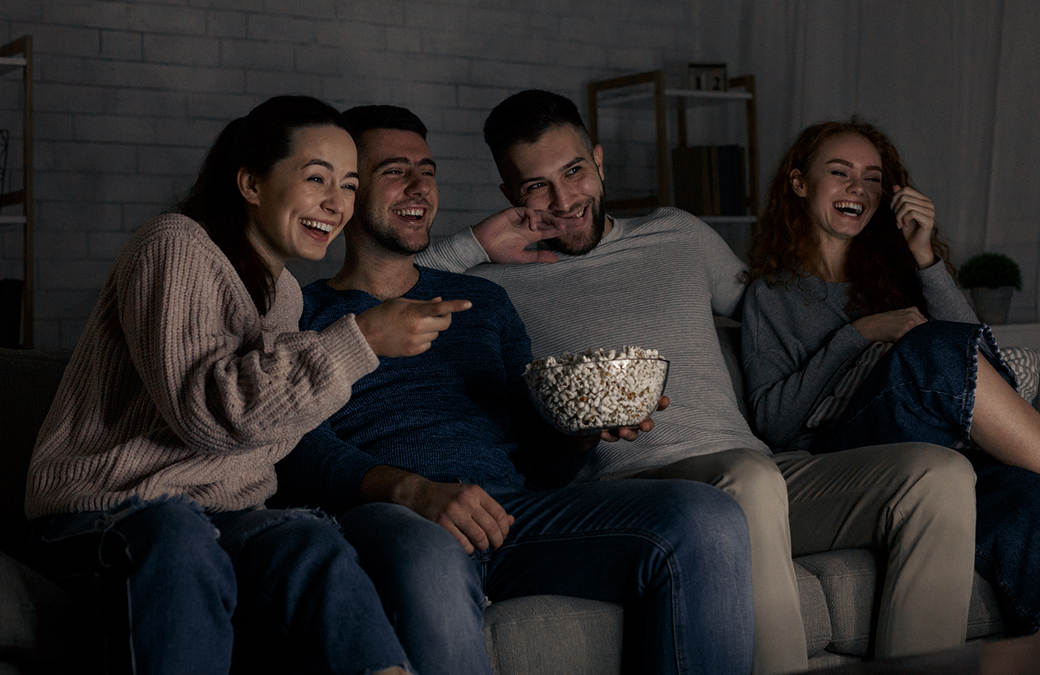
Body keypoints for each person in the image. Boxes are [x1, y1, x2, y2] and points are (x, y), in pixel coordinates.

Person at [416, 89, 980, 671]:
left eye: (575, 171)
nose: (564, 200)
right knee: (750, 478)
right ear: (511, 195)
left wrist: (922, 269)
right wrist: (478, 244)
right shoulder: (497, 283)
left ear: (600, 162)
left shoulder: (679, 234)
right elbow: (381, 288)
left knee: (938, 475)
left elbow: (789, 311)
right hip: (637, 489)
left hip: (759, 466)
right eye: (537, 186)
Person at [274, 104, 756, 675]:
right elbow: (290, 446)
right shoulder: (303, 311)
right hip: (394, 518)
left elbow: (540, 463)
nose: (419, 186)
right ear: (348, 192)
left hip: (514, 515)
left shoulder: (485, 304)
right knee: (428, 553)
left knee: (708, 518)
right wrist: (414, 491)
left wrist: (577, 432)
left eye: (426, 170)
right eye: (394, 170)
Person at [24, 95, 440, 675]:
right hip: (108, 514)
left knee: (308, 541)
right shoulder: (174, 243)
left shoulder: (286, 294)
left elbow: (268, 432)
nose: (336, 203)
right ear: (251, 183)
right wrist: (360, 341)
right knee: (176, 534)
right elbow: (207, 415)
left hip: (218, 519)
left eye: (348, 185)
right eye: (316, 178)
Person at [741, 118, 1040, 635]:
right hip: (848, 451)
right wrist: (861, 333)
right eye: (840, 173)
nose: (858, 188)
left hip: (941, 451)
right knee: (926, 345)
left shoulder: (896, 275)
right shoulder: (771, 296)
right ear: (799, 184)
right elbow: (773, 421)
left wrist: (925, 255)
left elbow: (979, 363)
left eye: (873, 178)